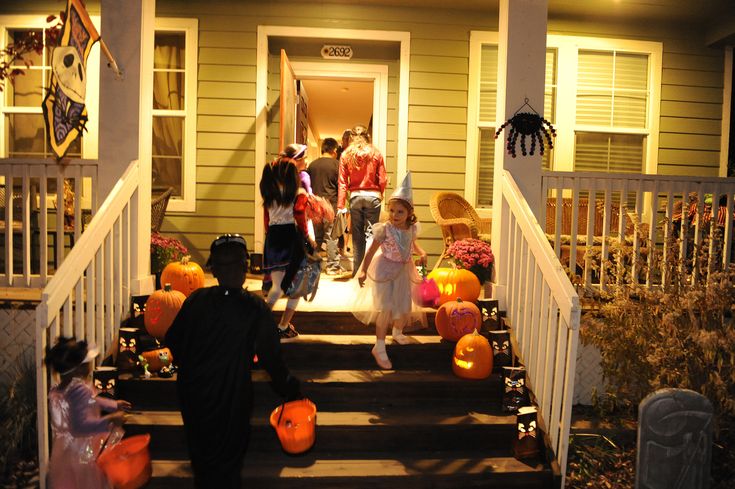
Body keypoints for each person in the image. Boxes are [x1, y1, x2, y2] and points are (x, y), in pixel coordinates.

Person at [165, 234, 302, 489]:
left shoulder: (195, 301)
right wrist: (290, 389)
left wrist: (193, 363)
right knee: (228, 462)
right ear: (245, 268)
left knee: (202, 459)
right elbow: (272, 359)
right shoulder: (255, 308)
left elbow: (173, 339)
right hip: (232, 394)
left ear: (213, 271)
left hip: (193, 391)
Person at [354, 172, 427, 370]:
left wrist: (421, 252)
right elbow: (370, 251)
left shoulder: (411, 228)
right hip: (385, 271)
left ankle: (397, 332)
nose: (394, 215)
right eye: (392, 210)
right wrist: (363, 270)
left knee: (403, 304)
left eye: (400, 212)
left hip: (404, 271)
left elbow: (412, 244)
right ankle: (378, 346)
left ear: (409, 214)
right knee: (386, 308)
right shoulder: (384, 230)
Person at [45, 336, 130, 489]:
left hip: (64, 450)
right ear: (80, 368)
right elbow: (79, 427)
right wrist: (110, 420)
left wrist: (113, 404)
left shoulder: (60, 389)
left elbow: (90, 401)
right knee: (87, 483)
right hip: (82, 452)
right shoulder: (79, 390)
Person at [261, 148, 317, 339]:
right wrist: (308, 237)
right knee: (297, 287)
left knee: (276, 287)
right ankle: (283, 325)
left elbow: (266, 219)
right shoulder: (298, 192)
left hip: (273, 238)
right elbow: (300, 215)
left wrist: (270, 237)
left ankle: (259, 323)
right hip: (291, 237)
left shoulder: (270, 194)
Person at [338, 125, 387, 276]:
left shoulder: (346, 154)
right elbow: (383, 179)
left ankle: (357, 273)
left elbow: (342, 182)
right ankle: (371, 273)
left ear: (351, 137)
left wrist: (340, 205)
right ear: (368, 136)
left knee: (357, 239)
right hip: (373, 197)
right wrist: (380, 193)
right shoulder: (376, 153)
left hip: (355, 198)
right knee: (372, 236)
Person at [308, 137, 343, 274]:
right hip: (330, 206)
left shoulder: (312, 165)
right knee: (331, 236)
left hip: (314, 206)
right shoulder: (337, 165)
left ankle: (313, 266)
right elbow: (341, 187)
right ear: (334, 150)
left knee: (317, 237)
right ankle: (332, 266)